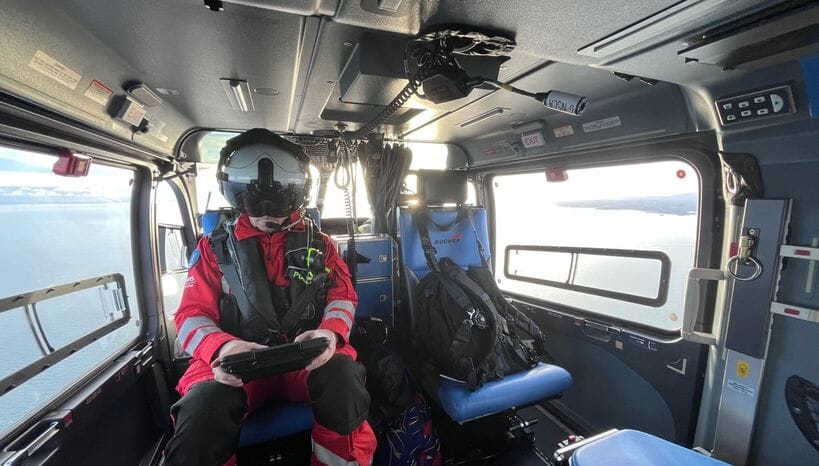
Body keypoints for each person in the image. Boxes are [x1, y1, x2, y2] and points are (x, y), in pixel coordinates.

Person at [163, 128, 376, 466]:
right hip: (237, 365)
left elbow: (343, 297)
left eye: (280, 203)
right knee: (202, 411)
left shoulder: (322, 245)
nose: (267, 214)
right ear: (235, 196)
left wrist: (331, 333)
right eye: (252, 202)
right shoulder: (212, 250)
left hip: (307, 360)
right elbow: (190, 315)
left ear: (297, 196)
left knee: (344, 383)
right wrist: (222, 348)